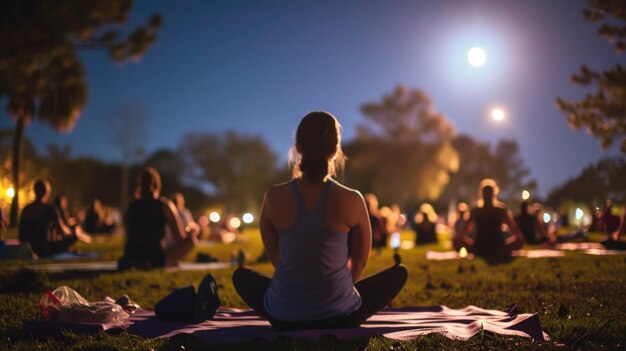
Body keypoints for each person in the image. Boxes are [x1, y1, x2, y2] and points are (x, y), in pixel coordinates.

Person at [232, 111, 408, 331]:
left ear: (297, 148)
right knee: (399, 273)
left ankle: (291, 305)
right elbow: (360, 263)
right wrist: (336, 293)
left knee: (241, 276)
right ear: (335, 151)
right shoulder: (352, 199)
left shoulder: (273, 197)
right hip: (340, 317)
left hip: (283, 318)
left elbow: (277, 259)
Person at [119, 167, 197, 269]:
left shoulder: (131, 206)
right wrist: (192, 231)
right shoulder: (164, 205)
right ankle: (166, 262)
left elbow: (127, 235)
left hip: (131, 254)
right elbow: (179, 237)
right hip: (154, 257)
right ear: (157, 185)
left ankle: (137, 261)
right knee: (190, 241)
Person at [454, 179, 525, 262]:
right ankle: (501, 251)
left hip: (482, 247)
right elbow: (515, 231)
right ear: (494, 193)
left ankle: (494, 251)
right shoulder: (498, 210)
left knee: (456, 241)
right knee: (520, 241)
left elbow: (463, 232)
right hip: (493, 246)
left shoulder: (478, 211)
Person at [19, 179, 91, 257]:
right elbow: (62, 231)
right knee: (73, 236)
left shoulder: (26, 209)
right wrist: (74, 232)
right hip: (45, 249)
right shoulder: (50, 209)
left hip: (27, 248)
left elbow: (21, 234)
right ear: (47, 192)